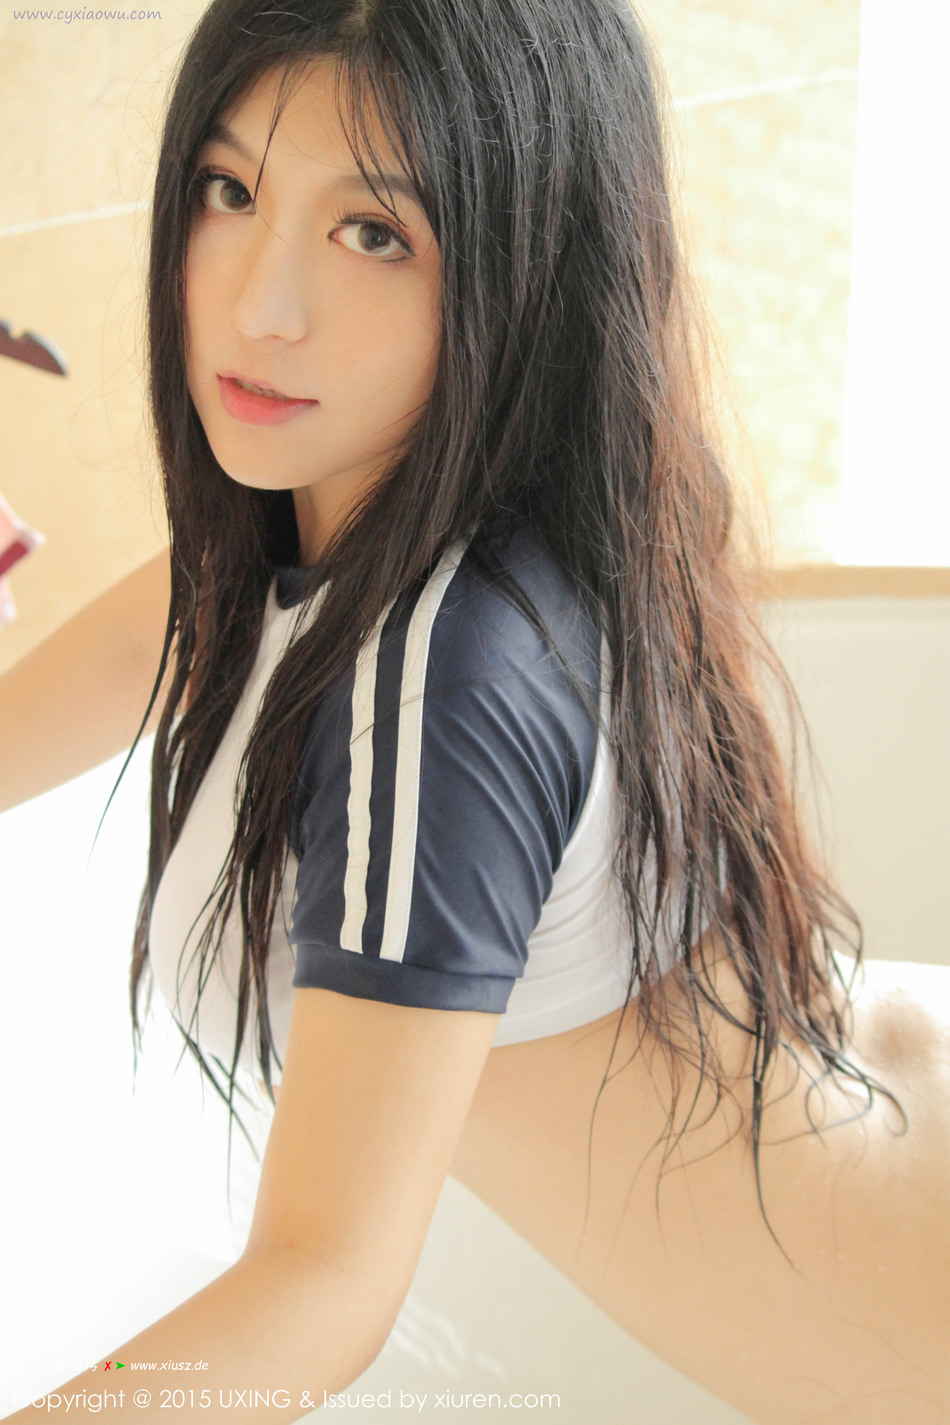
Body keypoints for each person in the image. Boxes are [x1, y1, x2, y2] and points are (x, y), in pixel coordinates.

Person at [1, 1, 948, 1421]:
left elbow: (319, 1290)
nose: (261, 305)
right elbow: (99, 673)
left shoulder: (440, 672)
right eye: (230, 189)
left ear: (529, 269)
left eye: (373, 231)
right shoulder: (308, 521)